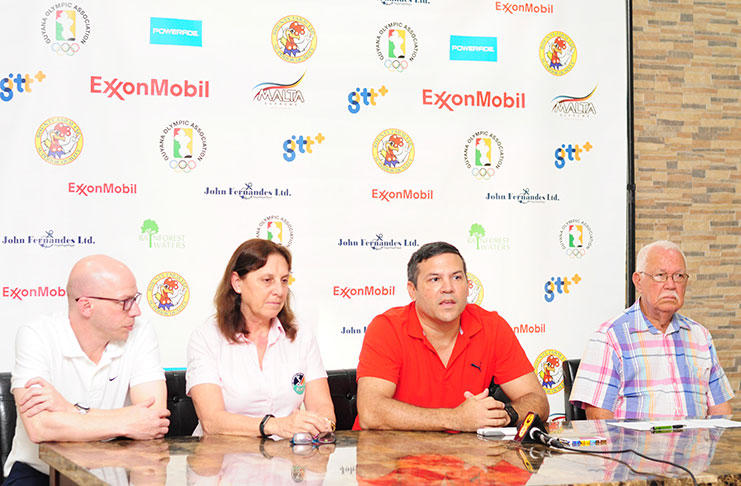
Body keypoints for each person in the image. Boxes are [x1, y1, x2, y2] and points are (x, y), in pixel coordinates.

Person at [4, 255, 170, 486]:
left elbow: (153, 419)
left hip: (116, 465)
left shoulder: (140, 332)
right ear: (86, 305)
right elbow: (40, 428)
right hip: (41, 472)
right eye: (125, 301)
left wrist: (68, 409)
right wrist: (127, 421)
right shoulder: (37, 335)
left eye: (135, 299)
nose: (136, 312)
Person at [355, 241, 549, 431]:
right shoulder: (387, 328)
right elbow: (371, 412)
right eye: (435, 279)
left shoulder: (491, 326)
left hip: (466, 457)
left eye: (457, 277)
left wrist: (504, 415)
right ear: (412, 290)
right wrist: (456, 419)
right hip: (388, 456)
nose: (448, 288)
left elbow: (537, 400)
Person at [186, 239, 335, 439]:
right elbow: (211, 421)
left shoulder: (301, 334)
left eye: (284, 280)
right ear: (237, 283)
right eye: (267, 280)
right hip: (223, 460)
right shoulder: (206, 337)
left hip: (286, 458)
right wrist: (274, 426)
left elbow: (322, 406)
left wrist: (323, 425)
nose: (279, 291)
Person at [569, 240, 734, 419]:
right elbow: (599, 423)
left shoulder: (700, 336)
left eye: (679, 276)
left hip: (696, 446)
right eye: (660, 275)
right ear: (638, 281)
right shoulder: (609, 338)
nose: (671, 285)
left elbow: (721, 413)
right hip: (633, 447)